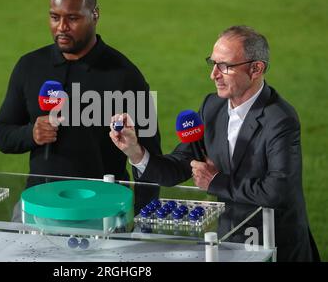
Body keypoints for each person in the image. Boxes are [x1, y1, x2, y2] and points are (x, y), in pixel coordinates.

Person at [109, 26, 319, 262]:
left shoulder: (280, 120)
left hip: (276, 248)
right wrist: (135, 152)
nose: (214, 75)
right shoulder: (212, 107)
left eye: (225, 66)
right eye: (213, 63)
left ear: (256, 69)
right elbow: (178, 167)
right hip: (228, 244)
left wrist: (216, 181)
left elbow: (278, 191)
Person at [0, 0, 161, 211]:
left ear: (95, 15)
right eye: (55, 17)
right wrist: (31, 134)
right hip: (38, 205)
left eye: (72, 18)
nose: (61, 27)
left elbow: (149, 160)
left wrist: (144, 221)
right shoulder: (29, 66)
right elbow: (2, 133)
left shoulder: (125, 76)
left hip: (103, 209)